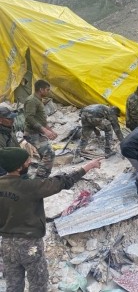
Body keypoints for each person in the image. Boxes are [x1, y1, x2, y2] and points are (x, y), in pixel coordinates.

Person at [0, 147, 101, 292]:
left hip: (6, 244)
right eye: (27, 161)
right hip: (30, 245)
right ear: (18, 167)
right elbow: (62, 182)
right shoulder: (30, 187)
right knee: (38, 283)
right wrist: (87, 167)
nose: (30, 162)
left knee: (13, 285)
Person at [23, 79, 57, 178]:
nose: (48, 91)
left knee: (45, 155)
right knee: (49, 154)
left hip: (38, 133)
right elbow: (29, 118)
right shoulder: (32, 100)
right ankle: (39, 179)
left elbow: (40, 119)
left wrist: (50, 130)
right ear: (41, 89)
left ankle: (44, 177)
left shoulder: (38, 100)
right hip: (32, 133)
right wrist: (44, 130)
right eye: (47, 89)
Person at [0, 107, 19, 175]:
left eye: (12, 118)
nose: (12, 120)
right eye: (9, 119)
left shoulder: (8, 129)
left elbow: (16, 145)